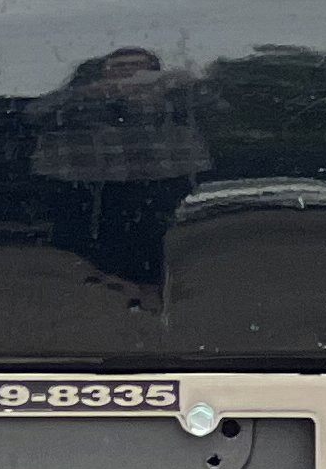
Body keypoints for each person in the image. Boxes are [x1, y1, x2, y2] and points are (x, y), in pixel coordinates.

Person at [26, 46, 212, 298]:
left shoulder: (177, 90)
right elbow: (35, 113)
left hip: (165, 177)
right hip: (87, 182)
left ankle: (158, 291)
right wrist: (91, 93)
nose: (128, 71)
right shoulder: (80, 92)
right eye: (119, 66)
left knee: (164, 237)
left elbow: (216, 107)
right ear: (103, 71)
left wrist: (181, 84)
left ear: (154, 69)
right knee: (93, 241)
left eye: (137, 65)